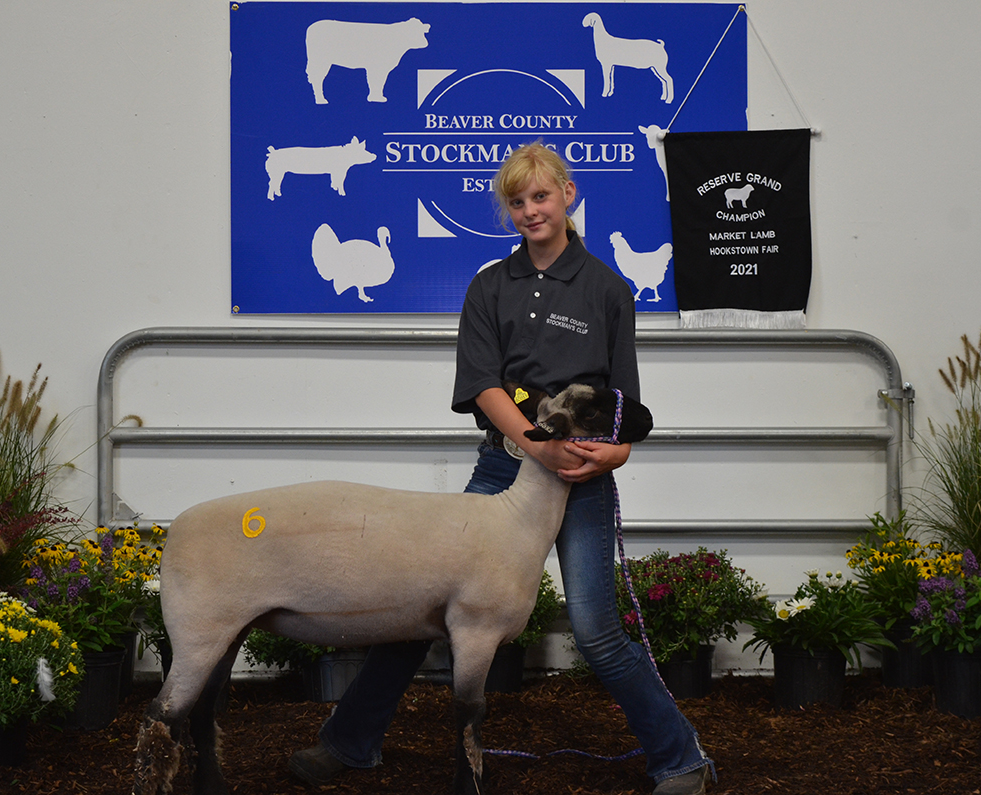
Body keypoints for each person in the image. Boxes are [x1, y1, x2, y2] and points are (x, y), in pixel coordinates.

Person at [289, 141, 714, 795]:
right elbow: (483, 385)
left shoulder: (608, 288)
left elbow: (624, 403)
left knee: (597, 630)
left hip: (581, 477)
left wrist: (617, 452)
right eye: (517, 202)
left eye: (540, 196)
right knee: (419, 604)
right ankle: (350, 741)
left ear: (567, 194)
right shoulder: (490, 285)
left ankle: (682, 759)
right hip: (503, 467)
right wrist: (535, 445)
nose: (530, 210)